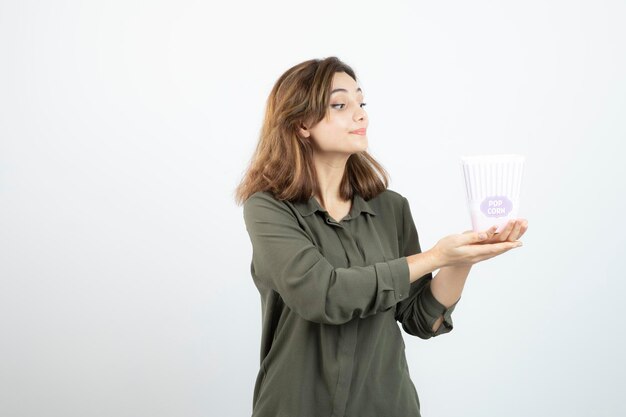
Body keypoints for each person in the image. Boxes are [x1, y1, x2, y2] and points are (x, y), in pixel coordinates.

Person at [234, 56, 528, 417]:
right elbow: (322, 295)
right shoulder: (268, 209)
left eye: (361, 102)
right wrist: (435, 256)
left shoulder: (391, 208)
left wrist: (461, 260)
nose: (360, 114)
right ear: (301, 124)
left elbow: (422, 319)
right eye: (340, 105)